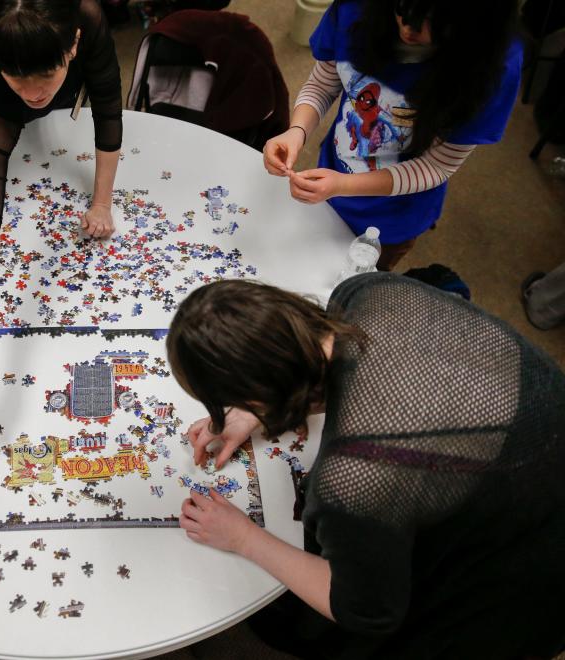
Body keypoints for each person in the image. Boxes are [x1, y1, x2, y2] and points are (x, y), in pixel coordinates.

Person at [167, 275, 565, 658]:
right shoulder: (366, 293)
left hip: (532, 559)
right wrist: (261, 412)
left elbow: (365, 608)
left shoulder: (356, 478)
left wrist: (243, 538)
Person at [0, 0, 123, 429]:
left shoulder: (86, 19)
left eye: (45, 75)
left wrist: (101, 202)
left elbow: (108, 110)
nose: (35, 92)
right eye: (19, 79)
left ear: (73, 44)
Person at [262, 0, 523, 271]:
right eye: (401, 7)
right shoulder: (355, 8)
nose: (408, 29)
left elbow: (439, 165)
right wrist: (297, 130)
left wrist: (343, 185)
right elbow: (322, 83)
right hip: (333, 170)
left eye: (433, 22)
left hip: (393, 218)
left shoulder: (495, 67)